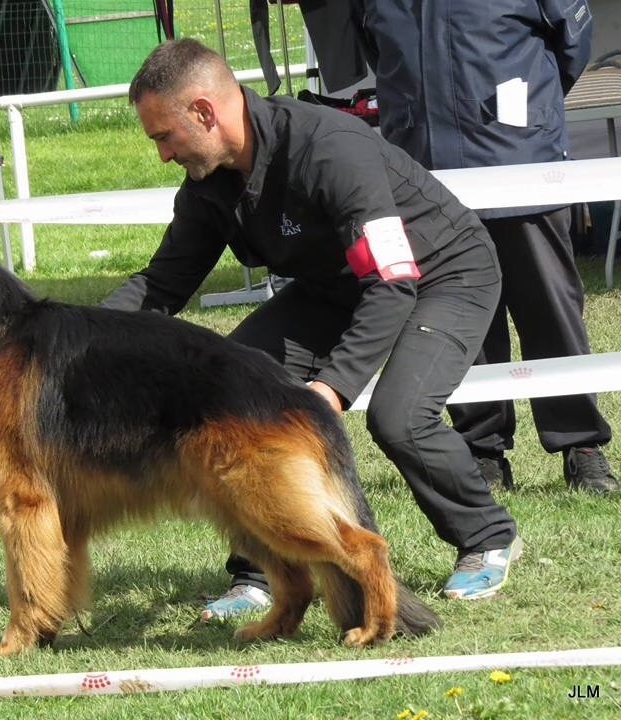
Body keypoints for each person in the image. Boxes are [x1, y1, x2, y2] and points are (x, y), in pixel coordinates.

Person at [102, 38, 522, 618]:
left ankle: (487, 537)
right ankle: (262, 574)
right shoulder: (209, 186)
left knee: (398, 417)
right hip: (336, 288)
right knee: (229, 398)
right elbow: (162, 285)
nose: (164, 156)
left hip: (443, 274)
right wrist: (79, 336)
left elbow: (392, 281)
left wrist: (331, 387)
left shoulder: (329, 149)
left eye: (164, 137)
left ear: (204, 112)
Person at [355, 0, 618, 496]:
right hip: (427, 175)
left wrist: (527, 113)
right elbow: (380, 51)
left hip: (519, 161)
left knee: (550, 309)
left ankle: (581, 446)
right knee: (460, 316)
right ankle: (481, 448)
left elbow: (573, 43)